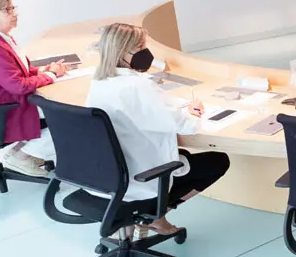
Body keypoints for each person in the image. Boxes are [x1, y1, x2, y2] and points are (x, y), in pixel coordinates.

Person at [85, 23, 230, 238]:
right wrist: (194, 112)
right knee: (218, 162)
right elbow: (186, 126)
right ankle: (155, 216)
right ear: (123, 51)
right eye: (140, 46)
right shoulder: (138, 86)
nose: (146, 52)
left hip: (105, 177)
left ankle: (147, 218)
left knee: (185, 157)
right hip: (141, 178)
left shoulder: (98, 82)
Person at [0, 0, 68, 177]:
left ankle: (21, 154)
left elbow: (15, 69)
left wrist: (43, 70)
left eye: (13, 8)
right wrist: (51, 75)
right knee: (68, 118)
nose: (14, 13)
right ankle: (22, 155)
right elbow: (17, 85)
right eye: (7, 10)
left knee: (60, 112)